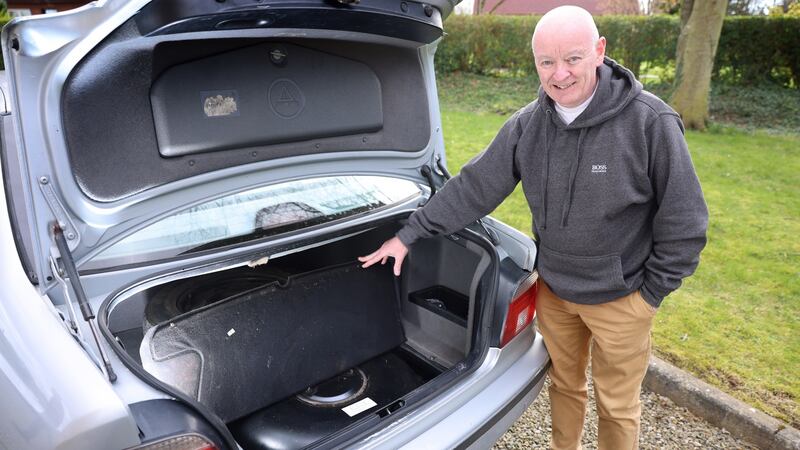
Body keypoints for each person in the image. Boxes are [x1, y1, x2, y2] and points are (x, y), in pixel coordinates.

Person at [359, 5, 708, 450]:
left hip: (623, 300)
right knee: (565, 388)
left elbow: (686, 220)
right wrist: (409, 234)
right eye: (547, 62)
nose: (559, 74)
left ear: (599, 51)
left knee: (617, 406)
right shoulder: (527, 125)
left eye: (573, 59)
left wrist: (651, 294)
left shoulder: (650, 122)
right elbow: (473, 188)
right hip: (557, 295)